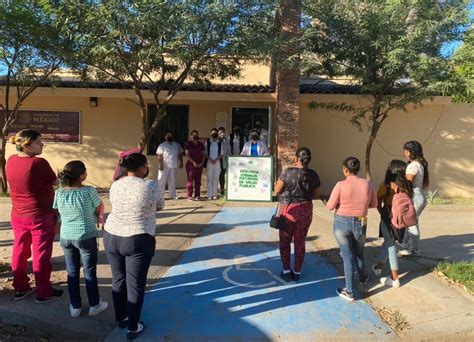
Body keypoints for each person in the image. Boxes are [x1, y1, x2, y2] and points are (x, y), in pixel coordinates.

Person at [104, 153, 164, 340]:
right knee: (135, 284)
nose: (148, 169)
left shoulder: (116, 183)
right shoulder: (151, 185)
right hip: (138, 238)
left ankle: (121, 317)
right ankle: (133, 327)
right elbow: (160, 206)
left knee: (118, 279)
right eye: (146, 166)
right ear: (140, 169)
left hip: (112, 235)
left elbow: (114, 203)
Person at [6, 129, 64, 303]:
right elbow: (56, 183)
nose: (42, 144)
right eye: (39, 142)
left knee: (20, 250)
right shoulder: (38, 163)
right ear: (27, 146)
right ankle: (43, 292)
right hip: (40, 215)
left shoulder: (11, 160)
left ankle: (20, 287)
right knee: (41, 254)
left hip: (18, 214)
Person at [54, 161, 108, 317]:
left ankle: (75, 307)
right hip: (86, 236)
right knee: (90, 272)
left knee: (72, 272)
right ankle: (94, 305)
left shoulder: (59, 192)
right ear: (82, 175)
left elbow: (57, 210)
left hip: (66, 237)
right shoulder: (89, 191)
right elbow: (98, 207)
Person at [327, 157, 377, 302]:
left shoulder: (340, 185)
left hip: (342, 222)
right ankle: (363, 277)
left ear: (345, 169)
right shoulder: (367, 184)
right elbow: (373, 204)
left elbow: (330, 206)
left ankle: (349, 291)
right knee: (359, 252)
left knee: (347, 255)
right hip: (361, 221)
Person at [275, 147, 321, 281]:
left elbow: (278, 190)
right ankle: (297, 271)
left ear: (296, 158)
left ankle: (286, 270)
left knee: (285, 241)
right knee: (300, 241)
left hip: (288, 210)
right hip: (306, 210)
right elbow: (316, 194)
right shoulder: (314, 174)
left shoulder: (288, 172)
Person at [372, 160, 408, 288]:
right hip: (403, 218)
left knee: (391, 245)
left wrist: (382, 213)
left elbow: (377, 201)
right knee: (390, 241)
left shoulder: (385, 185)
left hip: (388, 216)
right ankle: (378, 266)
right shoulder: (407, 186)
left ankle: (394, 278)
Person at [399, 140, 429, 256]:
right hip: (419, 195)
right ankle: (404, 243)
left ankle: (414, 249)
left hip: (415, 196)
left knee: (411, 223)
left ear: (412, 152)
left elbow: (407, 183)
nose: (404, 152)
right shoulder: (420, 164)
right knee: (410, 221)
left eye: (407, 150)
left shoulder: (412, 166)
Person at [156, 132, 183, 200]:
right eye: (168, 136)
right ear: (165, 137)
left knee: (172, 181)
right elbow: (159, 155)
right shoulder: (162, 145)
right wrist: (160, 164)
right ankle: (160, 196)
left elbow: (180, 154)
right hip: (164, 166)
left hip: (174, 165)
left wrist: (181, 162)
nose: (169, 137)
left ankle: (173, 195)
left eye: (171, 136)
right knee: (161, 181)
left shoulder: (176, 145)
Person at [184, 130, 205, 201]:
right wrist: (193, 162)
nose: (195, 136)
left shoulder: (201, 144)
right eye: (193, 134)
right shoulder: (188, 144)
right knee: (190, 180)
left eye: (196, 134)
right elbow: (187, 155)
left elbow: (203, 154)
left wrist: (202, 163)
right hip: (191, 165)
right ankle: (189, 195)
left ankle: (197, 195)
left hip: (200, 165)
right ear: (191, 136)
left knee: (198, 180)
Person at [204, 128, 224, 200]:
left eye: (215, 133)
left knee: (215, 178)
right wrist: (210, 159)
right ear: (210, 134)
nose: (214, 134)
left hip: (217, 162)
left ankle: (215, 194)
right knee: (210, 178)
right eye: (212, 133)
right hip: (209, 162)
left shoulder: (220, 142)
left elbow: (221, 154)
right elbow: (205, 153)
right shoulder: (207, 142)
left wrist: (215, 160)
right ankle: (209, 194)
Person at [218, 127, 231, 197]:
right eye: (220, 132)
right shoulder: (215, 140)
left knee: (222, 175)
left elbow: (229, 150)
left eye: (223, 132)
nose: (222, 133)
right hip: (216, 160)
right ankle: (214, 190)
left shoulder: (226, 141)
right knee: (215, 175)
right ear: (218, 133)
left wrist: (229, 158)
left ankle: (222, 189)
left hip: (223, 160)